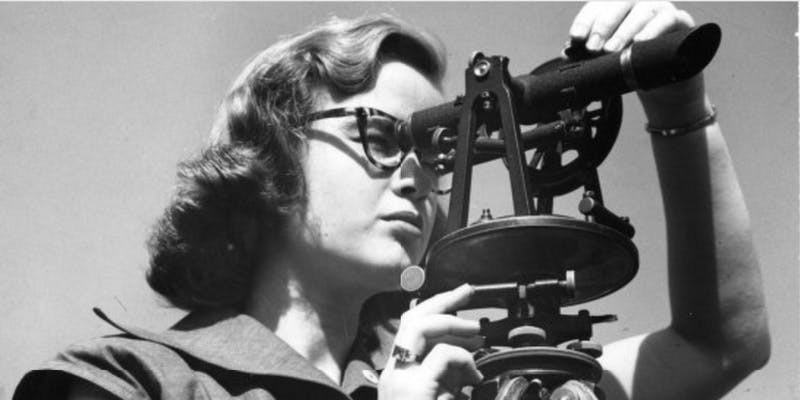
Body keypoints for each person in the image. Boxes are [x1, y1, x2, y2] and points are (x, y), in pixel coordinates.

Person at [13, 2, 769, 400]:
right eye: (381, 133)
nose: (417, 172)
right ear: (273, 152)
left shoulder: (479, 378)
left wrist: (679, 102)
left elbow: (718, 346)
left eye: (438, 147)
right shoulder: (131, 382)